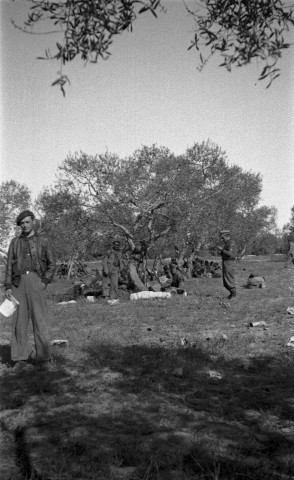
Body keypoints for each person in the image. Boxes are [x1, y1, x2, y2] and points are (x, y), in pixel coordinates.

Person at [4, 210, 56, 368]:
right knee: (19, 322)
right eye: (22, 223)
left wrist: (44, 281)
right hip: (18, 283)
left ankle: (44, 358)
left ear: (33, 221)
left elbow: (52, 263)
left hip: (36, 281)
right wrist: (8, 286)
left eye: (27, 222)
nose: (25, 225)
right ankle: (20, 358)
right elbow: (8, 266)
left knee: (40, 320)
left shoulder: (44, 240)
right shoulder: (15, 242)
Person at [217, 229, 237, 299]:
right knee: (226, 279)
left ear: (227, 235)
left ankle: (234, 295)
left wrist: (222, 250)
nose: (221, 239)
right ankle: (232, 294)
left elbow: (230, 254)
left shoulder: (231, 243)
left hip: (229, 262)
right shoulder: (227, 243)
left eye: (222, 237)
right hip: (226, 262)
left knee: (229, 278)